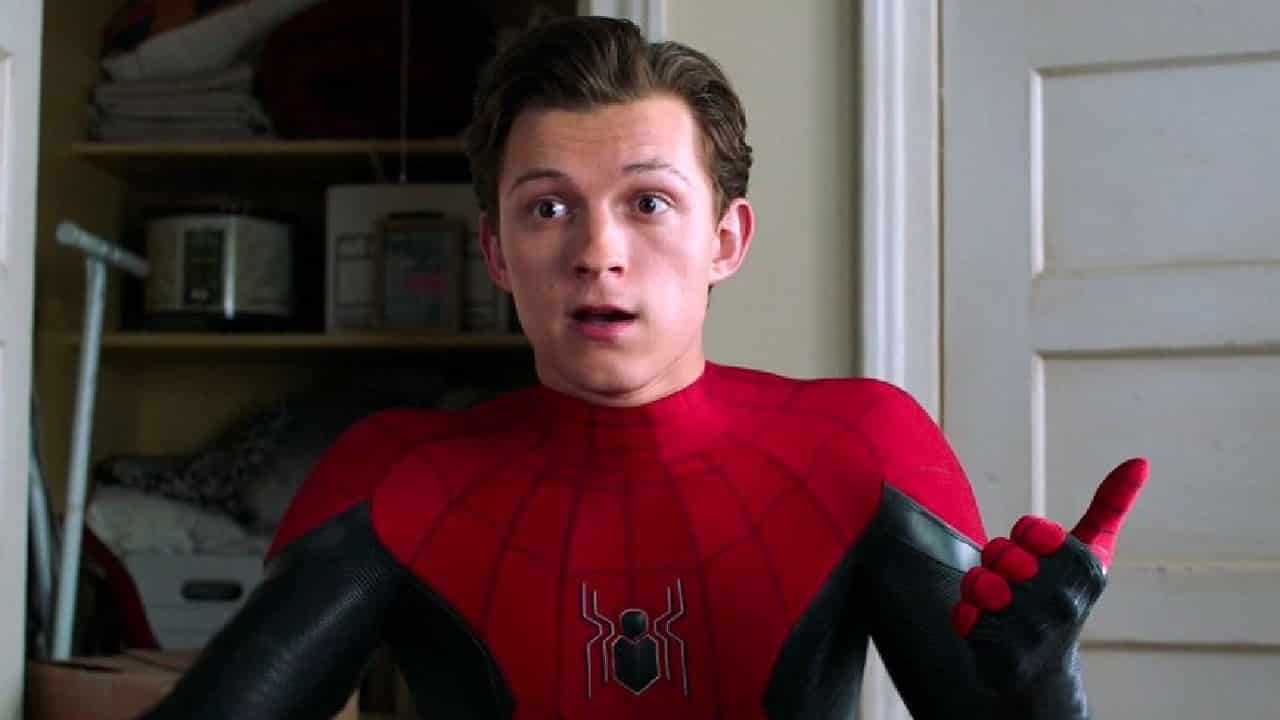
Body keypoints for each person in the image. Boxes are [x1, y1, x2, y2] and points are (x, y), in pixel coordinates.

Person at [138, 16, 1146, 720]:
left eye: (648, 203)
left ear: (725, 239)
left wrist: (1044, 685)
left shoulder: (860, 445)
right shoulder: (396, 477)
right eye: (547, 207)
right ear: (496, 252)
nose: (597, 253)